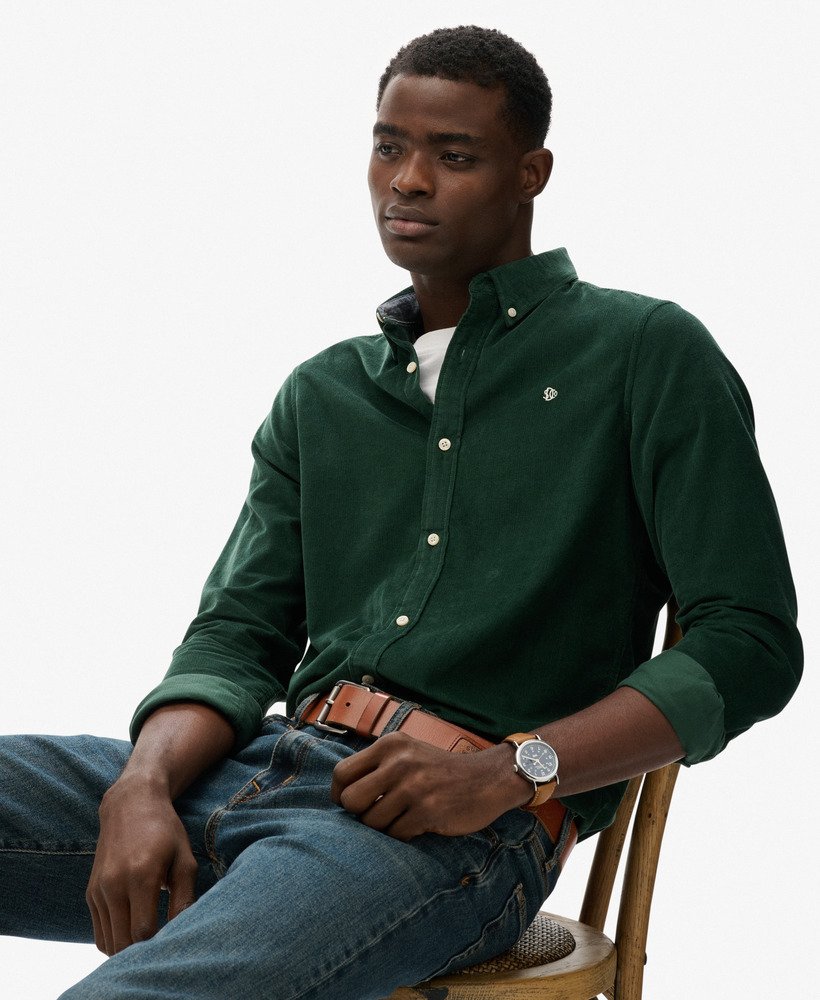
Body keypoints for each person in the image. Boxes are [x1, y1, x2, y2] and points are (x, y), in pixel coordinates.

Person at [0, 25, 802, 1000]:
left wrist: (513, 770)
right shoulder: (322, 394)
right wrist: (140, 783)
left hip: (454, 833)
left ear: (530, 174)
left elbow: (748, 641)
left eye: (453, 156)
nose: (408, 181)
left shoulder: (645, 354)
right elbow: (238, 633)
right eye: (389, 147)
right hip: (254, 765)